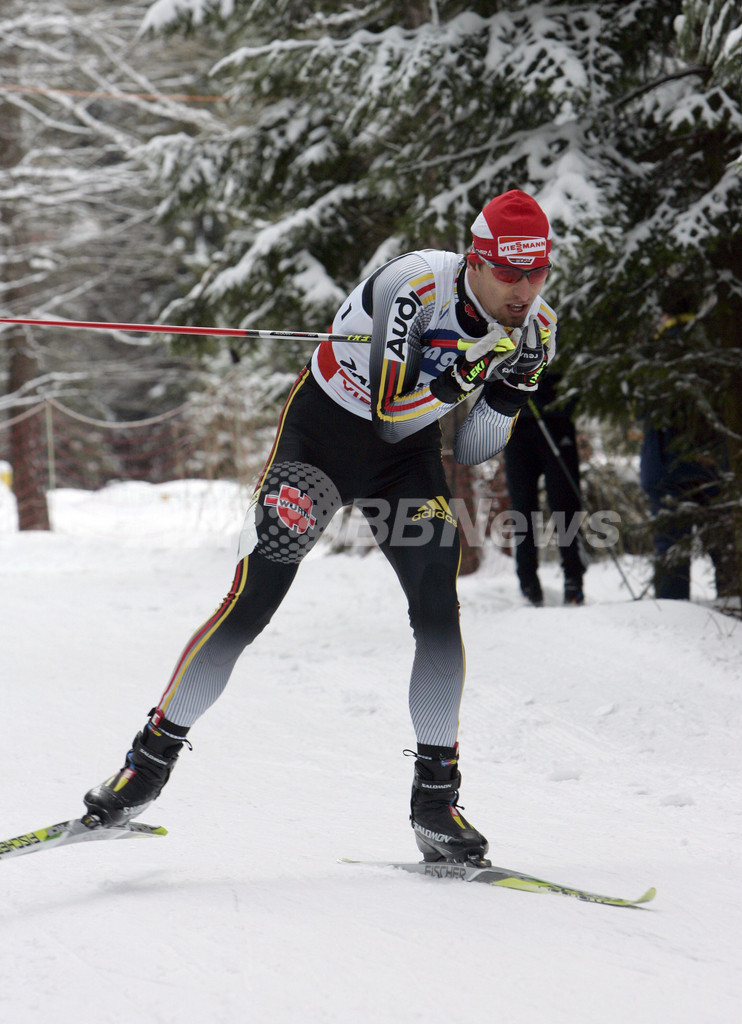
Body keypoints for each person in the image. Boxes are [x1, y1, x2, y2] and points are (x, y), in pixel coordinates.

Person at [84, 189, 558, 865]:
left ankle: (436, 803)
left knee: (437, 609)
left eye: (537, 272)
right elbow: (393, 409)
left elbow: (474, 447)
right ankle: (145, 766)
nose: (524, 290)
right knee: (253, 603)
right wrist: (471, 369)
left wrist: (512, 390)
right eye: (510, 273)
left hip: (406, 465)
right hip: (324, 443)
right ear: (476, 261)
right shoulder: (414, 283)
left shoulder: (536, 325)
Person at [503, 373, 586, 606]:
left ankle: (573, 579)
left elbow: (576, 375)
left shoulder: (560, 335)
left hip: (556, 422)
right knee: (522, 506)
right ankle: (528, 582)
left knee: (565, 504)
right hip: (516, 426)